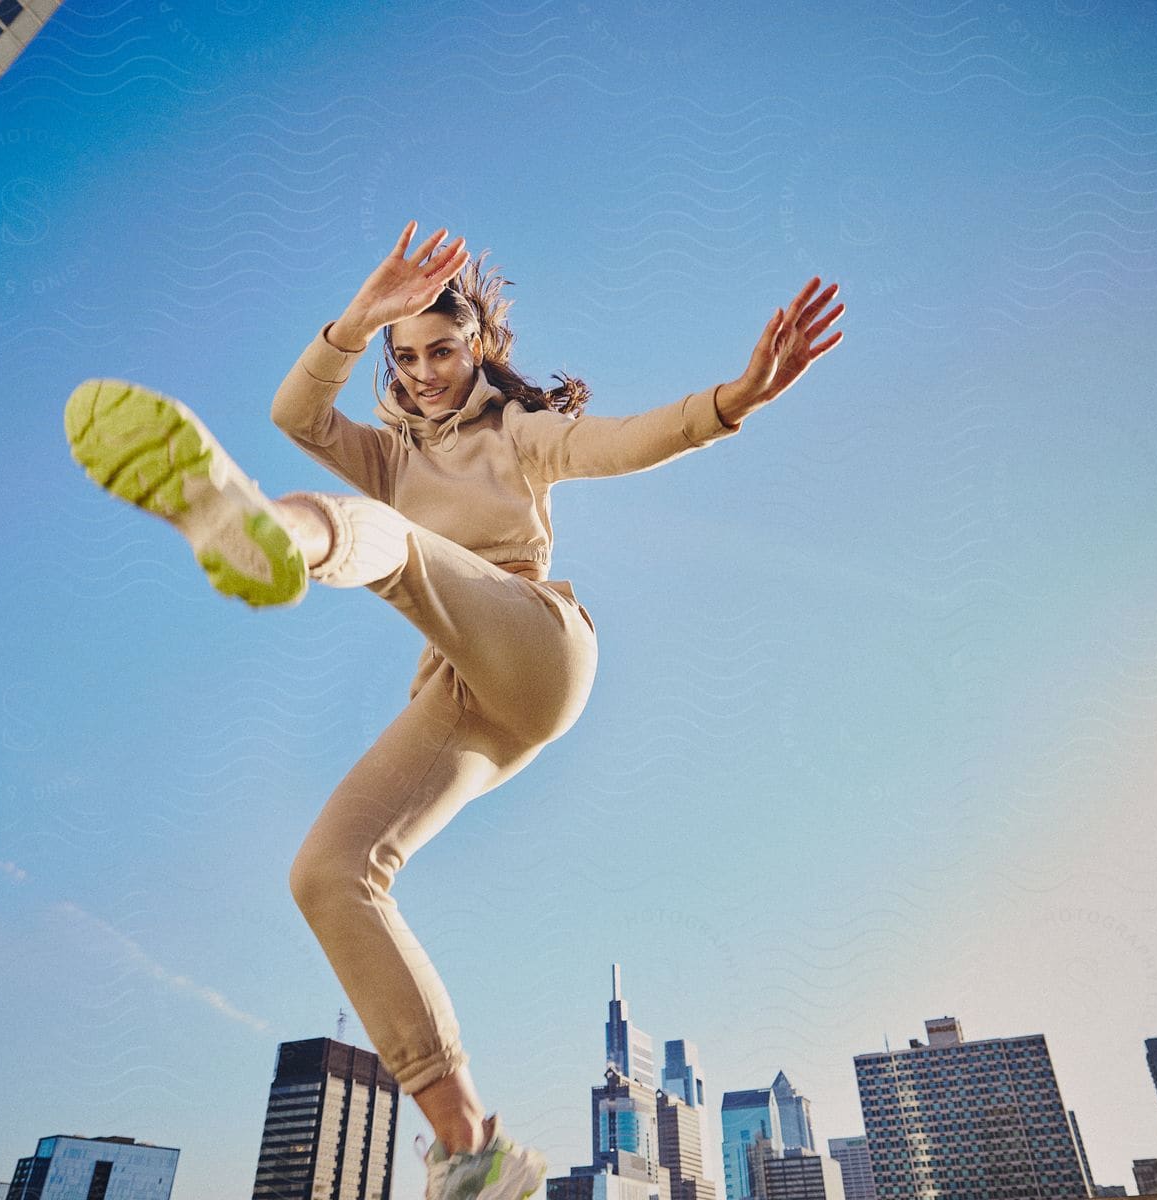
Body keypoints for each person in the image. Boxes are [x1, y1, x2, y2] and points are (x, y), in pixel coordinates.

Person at [63, 221, 843, 1200]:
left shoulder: (516, 434)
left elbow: (627, 441)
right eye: (409, 355)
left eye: (443, 350)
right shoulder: (392, 456)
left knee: (381, 537)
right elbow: (297, 413)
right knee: (328, 873)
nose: (426, 371)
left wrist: (737, 398)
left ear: (478, 349)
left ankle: (269, 536)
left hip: (536, 645)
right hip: (466, 703)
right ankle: (472, 1151)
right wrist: (357, 318)